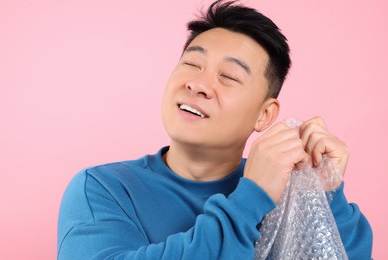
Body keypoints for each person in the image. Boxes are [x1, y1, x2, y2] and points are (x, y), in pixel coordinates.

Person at [57, 0, 373, 259]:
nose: (198, 84)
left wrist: (322, 195)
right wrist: (252, 198)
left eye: (229, 76)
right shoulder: (104, 188)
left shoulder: (290, 194)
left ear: (264, 115)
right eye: (192, 64)